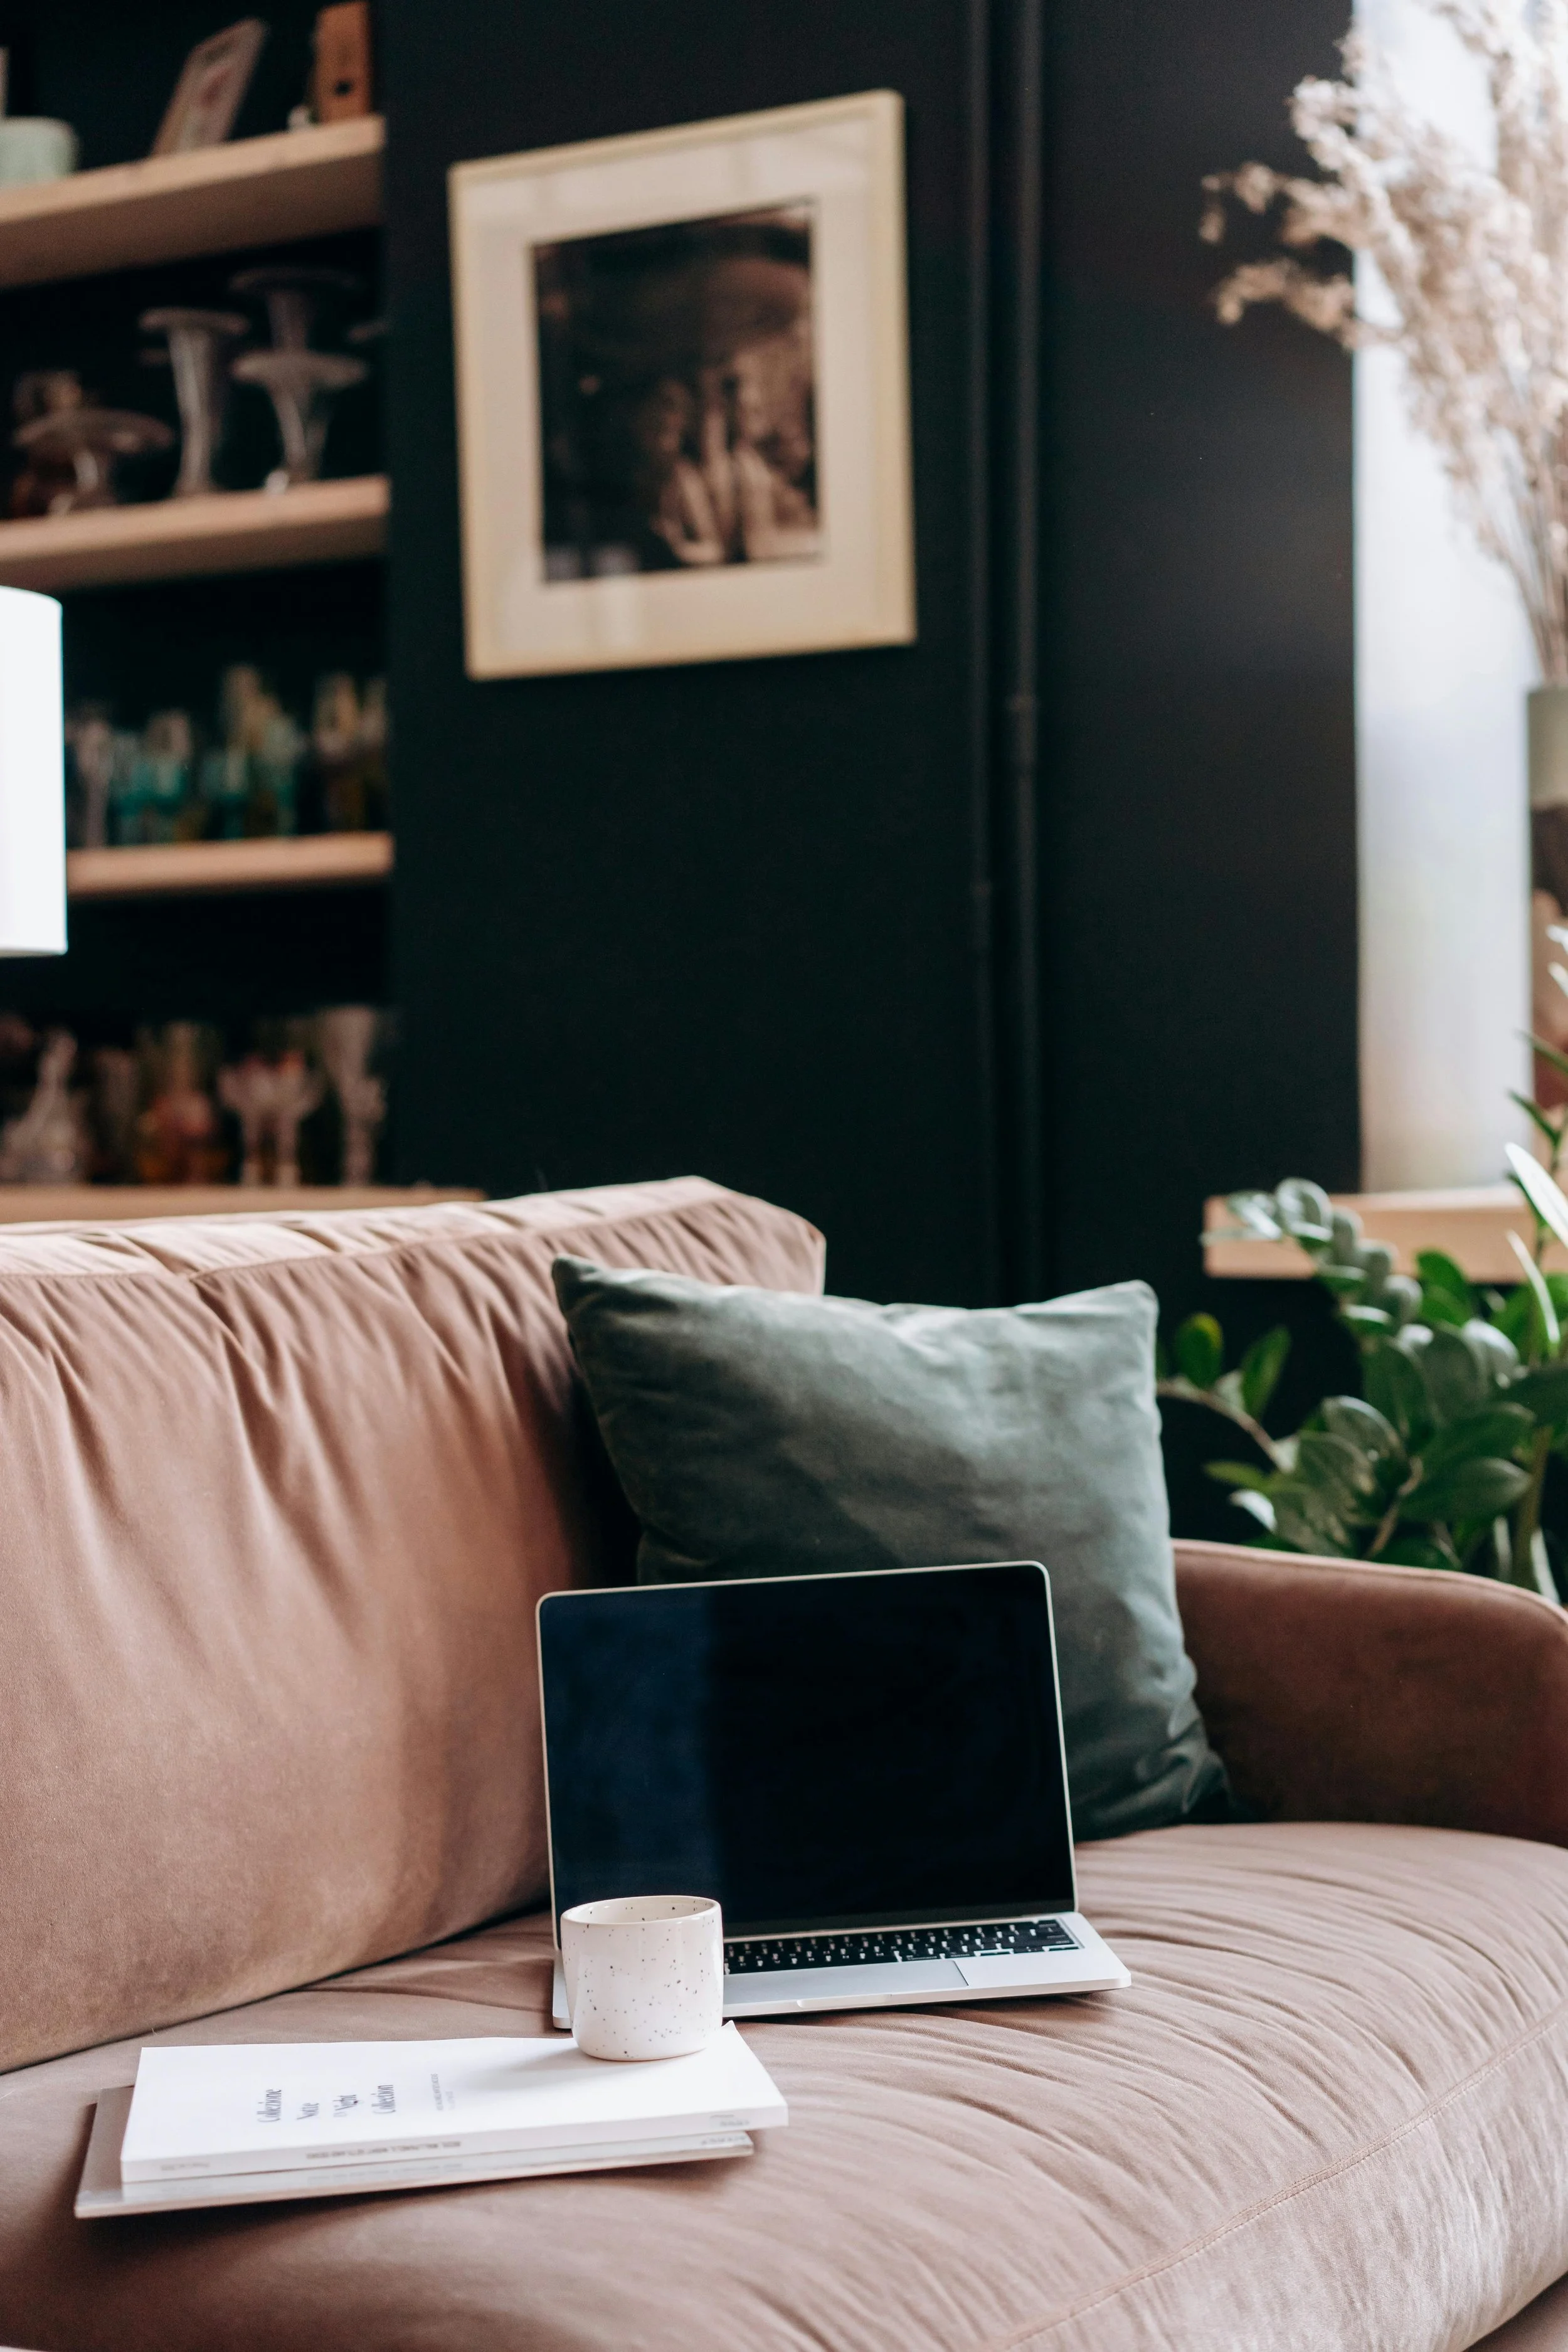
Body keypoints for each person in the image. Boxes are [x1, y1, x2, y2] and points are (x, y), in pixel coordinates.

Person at [629, 377, 723, 568]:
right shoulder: (640, 476)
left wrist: (677, 547)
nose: (661, 442)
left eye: (667, 431)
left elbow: (713, 551)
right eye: (653, 428)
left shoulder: (685, 481)